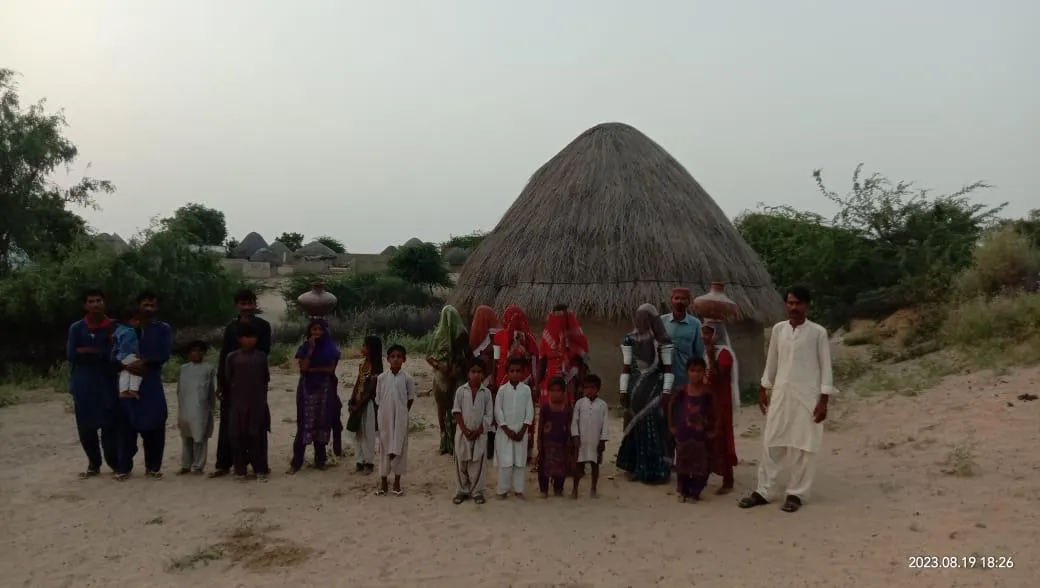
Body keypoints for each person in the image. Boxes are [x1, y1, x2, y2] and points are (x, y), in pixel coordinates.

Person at [739, 286, 834, 513]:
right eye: (790, 303)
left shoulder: (817, 333)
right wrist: (764, 386)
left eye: (798, 303)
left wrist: (824, 401)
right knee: (772, 442)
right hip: (781, 394)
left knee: (804, 446)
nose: (794, 307)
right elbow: (771, 361)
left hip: (807, 398)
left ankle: (796, 494)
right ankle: (764, 490)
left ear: (807, 305)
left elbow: (826, 368)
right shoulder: (779, 330)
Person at [211, 289, 272, 478]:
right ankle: (225, 464)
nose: (247, 307)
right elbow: (223, 357)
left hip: (252, 381)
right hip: (232, 382)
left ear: (255, 304)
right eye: (243, 303)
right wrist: (221, 382)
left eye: (250, 303)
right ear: (237, 305)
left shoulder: (263, 326)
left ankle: (259, 465)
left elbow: (264, 353)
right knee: (230, 424)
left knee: (256, 424)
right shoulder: (231, 328)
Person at [114, 291, 173, 481]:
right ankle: (123, 467)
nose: (149, 309)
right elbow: (113, 351)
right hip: (127, 376)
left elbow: (164, 353)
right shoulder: (125, 327)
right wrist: (124, 364)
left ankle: (153, 467)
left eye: (153, 306)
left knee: (156, 420)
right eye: (146, 305)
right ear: (138, 305)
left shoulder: (163, 329)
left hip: (151, 379)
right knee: (125, 423)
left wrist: (145, 363)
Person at [66, 289, 120, 479]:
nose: (95, 304)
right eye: (91, 301)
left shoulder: (114, 326)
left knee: (110, 426)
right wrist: (98, 351)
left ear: (104, 303)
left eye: (98, 300)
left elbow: (117, 354)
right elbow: (72, 354)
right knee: (86, 427)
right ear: (85, 305)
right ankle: (93, 464)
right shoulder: (77, 328)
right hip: (84, 383)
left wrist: (88, 351)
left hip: (108, 382)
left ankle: (114, 463)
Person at [615, 303, 672, 484]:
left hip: (654, 391)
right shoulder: (629, 339)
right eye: (638, 317)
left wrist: (666, 392)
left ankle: (653, 471)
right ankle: (633, 467)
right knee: (633, 428)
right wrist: (623, 390)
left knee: (654, 428)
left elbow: (668, 369)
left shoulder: (663, 341)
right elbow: (625, 367)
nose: (641, 321)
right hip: (634, 391)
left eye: (645, 318)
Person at [535, 304, 588, 470]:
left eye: (561, 317)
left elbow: (582, 364)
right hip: (550, 385)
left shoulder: (575, 337)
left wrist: (580, 387)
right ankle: (545, 457)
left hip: (569, 385)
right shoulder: (547, 336)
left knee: (569, 422)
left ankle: (569, 459)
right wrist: (537, 385)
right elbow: (542, 362)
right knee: (549, 421)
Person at [289, 319, 340, 474]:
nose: (317, 333)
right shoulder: (305, 347)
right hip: (306, 390)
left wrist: (311, 370)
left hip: (325, 389)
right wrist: (311, 350)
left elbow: (330, 369)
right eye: (314, 330)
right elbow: (303, 367)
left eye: (320, 330)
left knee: (323, 422)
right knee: (304, 423)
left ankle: (320, 460)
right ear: (309, 332)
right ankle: (296, 463)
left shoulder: (330, 348)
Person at [660, 288, 705, 465]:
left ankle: (683, 459)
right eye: (676, 298)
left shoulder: (695, 325)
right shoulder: (661, 322)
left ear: (689, 301)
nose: (679, 301)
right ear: (671, 300)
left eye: (683, 299)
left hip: (684, 383)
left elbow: (698, 357)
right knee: (664, 420)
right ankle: (666, 459)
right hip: (663, 382)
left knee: (683, 420)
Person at [224, 323, 271, 481]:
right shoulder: (232, 357)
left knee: (257, 436)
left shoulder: (261, 356)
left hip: (257, 402)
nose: (250, 340)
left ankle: (260, 469)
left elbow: (265, 379)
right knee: (237, 436)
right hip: (237, 403)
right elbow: (228, 379)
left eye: (253, 337)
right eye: (247, 337)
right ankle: (240, 469)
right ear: (239, 339)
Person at [669, 358, 718, 502]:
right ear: (687, 372)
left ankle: (695, 492)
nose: (695, 374)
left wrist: (715, 429)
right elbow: (671, 405)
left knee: (700, 465)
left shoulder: (707, 392)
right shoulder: (682, 390)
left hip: (700, 435)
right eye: (692, 371)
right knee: (683, 463)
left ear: (704, 372)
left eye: (698, 371)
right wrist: (671, 425)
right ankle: (684, 491)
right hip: (683, 433)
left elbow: (717, 410)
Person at [492, 304, 538, 457]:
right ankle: (526, 450)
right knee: (524, 413)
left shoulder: (498, 336)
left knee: (505, 411)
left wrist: (494, 379)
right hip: (525, 381)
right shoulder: (530, 338)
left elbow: (496, 360)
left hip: (503, 380)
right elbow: (534, 362)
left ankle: (504, 447)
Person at [426, 305, 471, 455]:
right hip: (441, 379)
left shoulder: (462, 335)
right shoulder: (438, 336)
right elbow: (428, 356)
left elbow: (467, 357)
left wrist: (456, 370)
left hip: (457, 377)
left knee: (456, 409)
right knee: (442, 408)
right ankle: (444, 440)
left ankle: (455, 443)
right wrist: (439, 366)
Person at [703, 321, 739, 494]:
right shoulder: (706, 352)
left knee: (722, 435)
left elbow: (718, 377)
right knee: (707, 434)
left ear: (717, 334)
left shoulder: (724, 354)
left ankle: (728, 479)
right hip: (708, 399)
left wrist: (711, 356)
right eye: (703, 333)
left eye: (708, 333)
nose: (705, 337)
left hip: (721, 401)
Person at [451, 360, 493, 505]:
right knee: (461, 462)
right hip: (463, 433)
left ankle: (477, 491)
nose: (476, 375)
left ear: (483, 375)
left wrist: (479, 430)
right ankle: (462, 490)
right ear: (468, 374)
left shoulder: (486, 393)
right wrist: (464, 429)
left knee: (477, 463)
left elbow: (489, 415)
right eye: (473, 371)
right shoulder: (461, 391)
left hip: (479, 434)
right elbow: (456, 411)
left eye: (479, 372)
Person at [376, 344, 416, 496]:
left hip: (401, 417)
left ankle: (397, 482)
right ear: (388, 359)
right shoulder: (381, 378)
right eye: (393, 356)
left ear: (404, 359)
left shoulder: (408, 379)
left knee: (400, 447)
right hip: (385, 416)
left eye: (399, 356)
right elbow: (379, 399)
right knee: (384, 446)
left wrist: (402, 412)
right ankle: (384, 480)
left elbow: (410, 398)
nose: (396, 359)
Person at [494, 357, 534, 499]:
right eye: (512, 371)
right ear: (507, 372)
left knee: (519, 462)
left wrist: (523, 430)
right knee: (505, 462)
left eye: (518, 371)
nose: (515, 374)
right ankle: (502, 490)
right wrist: (506, 429)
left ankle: (518, 490)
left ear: (523, 373)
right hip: (505, 433)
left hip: (521, 432)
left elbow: (530, 411)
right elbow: (498, 411)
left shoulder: (526, 390)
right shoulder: (502, 390)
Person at [176, 341, 215, 475]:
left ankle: (198, 466)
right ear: (188, 354)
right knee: (186, 436)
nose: (196, 353)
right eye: (192, 351)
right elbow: (179, 389)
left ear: (204, 353)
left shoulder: (208, 369)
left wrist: (212, 408)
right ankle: (186, 465)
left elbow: (211, 391)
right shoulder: (183, 369)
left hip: (201, 407)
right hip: (185, 407)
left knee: (200, 437)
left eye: (199, 350)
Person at [346, 335, 382, 474]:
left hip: (368, 405)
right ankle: (359, 460)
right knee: (357, 432)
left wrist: (358, 405)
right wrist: (352, 399)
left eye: (365, 346)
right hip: (358, 402)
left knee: (368, 434)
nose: (362, 348)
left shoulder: (377, 369)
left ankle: (369, 462)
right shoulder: (362, 364)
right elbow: (357, 383)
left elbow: (369, 391)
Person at [571, 373, 609, 498]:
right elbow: (574, 421)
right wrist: (575, 436)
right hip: (582, 440)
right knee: (579, 465)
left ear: (598, 389)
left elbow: (605, 424)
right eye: (586, 388)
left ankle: (593, 489)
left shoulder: (603, 405)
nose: (589, 391)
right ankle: (575, 489)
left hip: (595, 440)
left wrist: (603, 441)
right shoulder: (579, 403)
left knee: (595, 464)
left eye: (592, 388)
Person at [537, 377, 573, 498]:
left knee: (561, 469)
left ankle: (558, 488)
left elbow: (569, 427)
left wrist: (569, 442)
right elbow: (540, 426)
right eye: (552, 390)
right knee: (543, 468)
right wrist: (538, 442)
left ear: (563, 393)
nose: (555, 393)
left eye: (558, 390)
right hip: (547, 444)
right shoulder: (545, 408)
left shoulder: (567, 409)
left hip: (561, 444)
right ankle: (544, 489)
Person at [112, 307, 143, 399]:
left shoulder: (118, 329)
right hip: (127, 355)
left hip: (119, 356)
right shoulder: (130, 331)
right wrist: (137, 353)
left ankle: (123, 390)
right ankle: (134, 388)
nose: (138, 322)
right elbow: (128, 345)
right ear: (128, 320)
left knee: (125, 372)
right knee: (137, 369)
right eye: (136, 320)